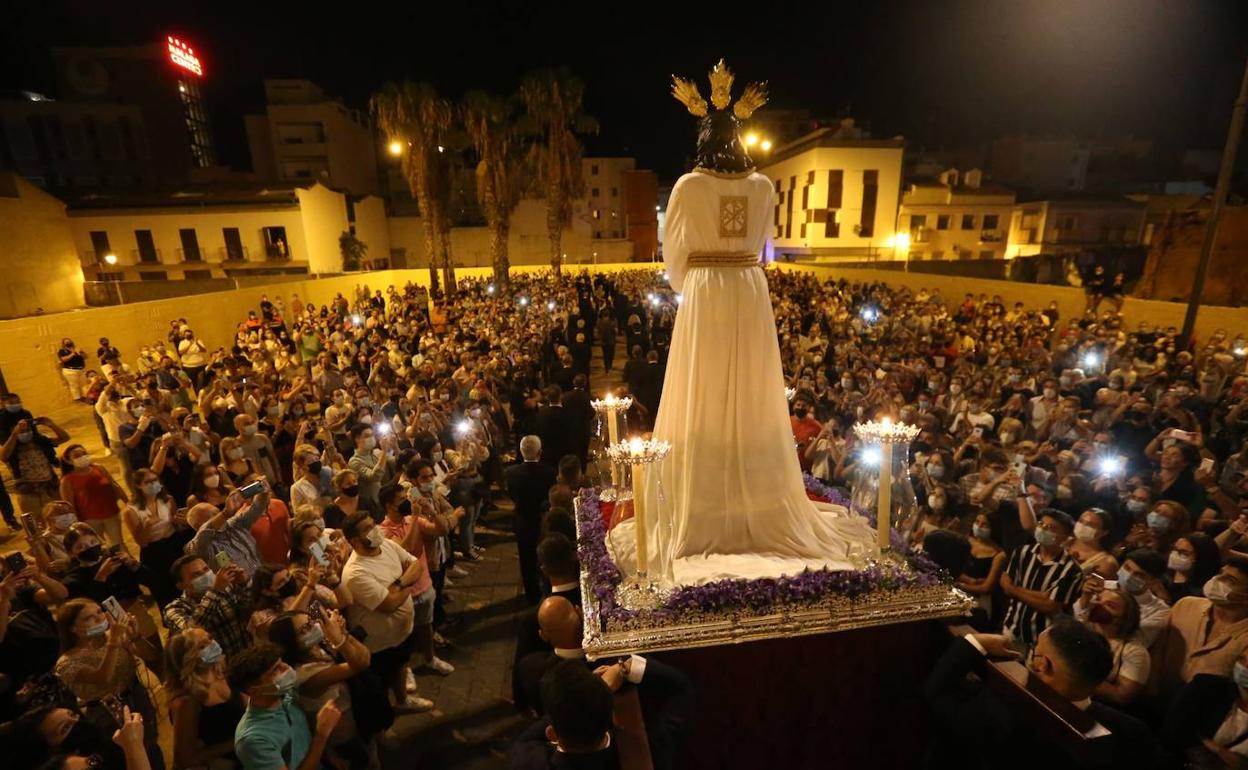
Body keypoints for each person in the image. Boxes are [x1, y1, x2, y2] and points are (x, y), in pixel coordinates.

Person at [924, 618, 1157, 770]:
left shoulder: (1002, 713)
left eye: (1036, 649)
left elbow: (938, 694)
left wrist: (972, 643)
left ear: (1043, 664)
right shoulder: (1132, 731)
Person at [339, 511, 433, 712]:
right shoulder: (356, 572)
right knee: (379, 687)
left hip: (401, 632)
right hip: (379, 645)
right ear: (355, 540)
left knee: (400, 666)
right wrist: (409, 582)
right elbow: (389, 604)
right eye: (368, 529)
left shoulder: (387, 545)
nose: (375, 530)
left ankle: (402, 700)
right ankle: (383, 725)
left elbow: (415, 565)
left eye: (373, 524)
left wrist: (399, 583)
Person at [54, 599, 163, 766]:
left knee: (151, 745)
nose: (100, 618)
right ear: (73, 629)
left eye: (99, 611)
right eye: (89, 618)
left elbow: (150, 655)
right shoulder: (67, 662)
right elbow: (102, 677)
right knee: (128, 756)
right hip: (107, 712)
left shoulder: (112, 637)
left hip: (136, 695)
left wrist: (136, 637)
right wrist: (114, 642)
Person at [267, 609, 377, 763]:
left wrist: (343, 633)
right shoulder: (304, 675)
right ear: (290, 642)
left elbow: (364, 655)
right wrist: (339, 638)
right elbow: (362, 663)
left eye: (311, 622)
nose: (313, 628)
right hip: (341, 731)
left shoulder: (316, 648)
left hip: (355, 713)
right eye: (304, 629)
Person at [226, 643, 342, 770]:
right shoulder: (253, 739)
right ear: (254, 690)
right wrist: (322, 735)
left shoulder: (287, 695)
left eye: (282, 663)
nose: (286, 669)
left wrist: (330, 755)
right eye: (275, 670)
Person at [1153, 555, 1248, 697]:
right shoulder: (1185, 605)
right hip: (1156, 699)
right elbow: (1157, 652)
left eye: (1230, 580)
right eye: (1220, 574)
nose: (1218, 581)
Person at [1000, 509, 1084, 652]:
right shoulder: (1022, 552)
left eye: (1051, 527)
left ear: (1065, 537)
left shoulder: (1072, 570)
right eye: (1041, 524)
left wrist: (1014, 589)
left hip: (1042, 639)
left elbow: (1050, 606)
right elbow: (1004, 583)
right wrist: (1042, 596)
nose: (1043, 528)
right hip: (1011, 628)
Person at [163, 629, 244, 770]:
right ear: (188, 658)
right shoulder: (187, 702)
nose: (212, 644)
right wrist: (238, 740)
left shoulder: (220, 673)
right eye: (202, 646)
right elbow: (185, 759)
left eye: (210, 638)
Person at [1161, 647, 1248, 769]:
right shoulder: (1207, 686)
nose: (1245, 666)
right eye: (1242, 659)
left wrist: (1218, 749)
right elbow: (1174, 731)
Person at [163, 554, 254, 658]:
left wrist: (244, 583)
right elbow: (192, 632)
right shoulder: (175, 608)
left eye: (206, 569)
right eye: (196, 575)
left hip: (248, 655)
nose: (205, 575)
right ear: (180, 585)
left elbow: (249, 612)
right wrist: (215, 592)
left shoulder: (226, 588)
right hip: (219, 668)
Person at [506, 436, 558, 605]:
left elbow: (512, 495)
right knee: (547, 556)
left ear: (521, 453)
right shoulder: (549, 472)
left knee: (526, 559)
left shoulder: (512, 473)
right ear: (540, 452)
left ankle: (532, 595)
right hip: (542, 520)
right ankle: (550, 588)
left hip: (523, 521)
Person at [1080, 585, 1150, 706]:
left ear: (1123, 619)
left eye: (1110, 606)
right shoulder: (1079, 630)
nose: (1099, 605)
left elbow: (1121, 696)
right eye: (1098, 599)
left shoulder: (1135, 652)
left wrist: (1075, 675)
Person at [58, 444, 128, 549]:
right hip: (90, 520)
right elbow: (69, 505)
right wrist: (77, 524)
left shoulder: (99, 468)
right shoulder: (67, 480)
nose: (82, 457)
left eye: (84, 453)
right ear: (69, 461)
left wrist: (127, 501)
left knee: (119, 545)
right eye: (77, 456)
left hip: (111, 514)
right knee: (97, 547)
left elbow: (114, 485)